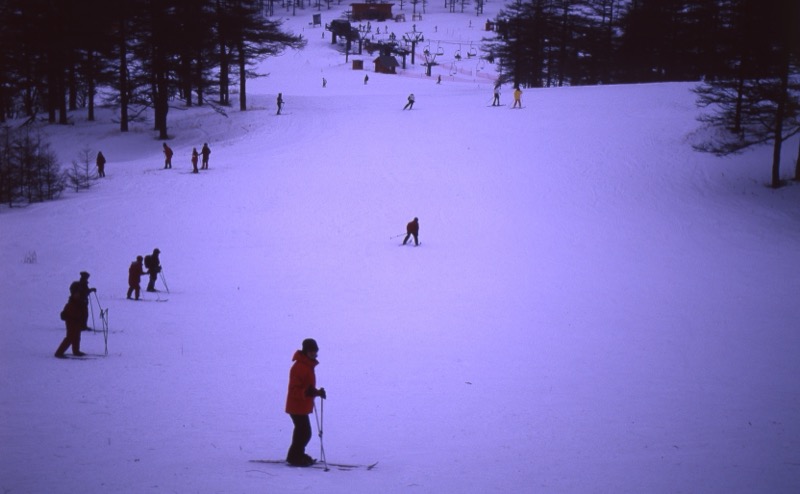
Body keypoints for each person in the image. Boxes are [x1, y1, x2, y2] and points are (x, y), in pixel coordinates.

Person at [285, 338, 326, 467]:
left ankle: (297, 455)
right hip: (296, 406)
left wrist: (317, 392)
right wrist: (307, 392)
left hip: (302, 406)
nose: (314, 353)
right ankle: (294, 456)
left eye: (315, 351)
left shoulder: (308, 365)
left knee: (302, 432)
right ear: (305, 351)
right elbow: (294, 390)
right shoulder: (299, 367)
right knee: (304, 432)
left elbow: (307, 387)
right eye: (311, 351)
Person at [54, 284, 87, 358]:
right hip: (71, 322)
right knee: (70, 337)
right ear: (73, 293)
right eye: (76, 293)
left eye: (79, 293)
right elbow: (71, 313)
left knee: (77, 336)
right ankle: (59, 352)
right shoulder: (71, 303)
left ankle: (76, 351)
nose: (78, 295)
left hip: (77, 322)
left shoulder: (80, 301)